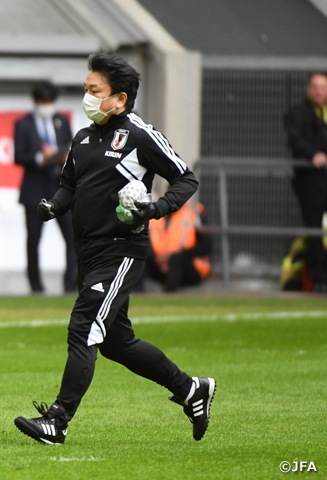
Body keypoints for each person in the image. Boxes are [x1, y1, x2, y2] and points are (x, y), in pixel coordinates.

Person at [14, 53, 215, 445]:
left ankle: (58, 420)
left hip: (121, 249)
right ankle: (191, 389)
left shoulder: (140, 135)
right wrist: (54, 205)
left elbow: (185, 178)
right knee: (116, 343)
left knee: (84, 326)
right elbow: (69, 184)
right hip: (88, 251)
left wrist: (157, 208)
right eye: (86, 89)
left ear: (120, 98)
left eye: (95, 91)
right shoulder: (83, 137)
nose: (87, 97)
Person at [14, 82, 77, 294]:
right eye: (43, 101)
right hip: (35, 189)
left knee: (72, 237)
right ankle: (36, 286)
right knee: (33, 240)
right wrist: (40, 157)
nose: (46, 105)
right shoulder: (23, 124)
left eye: (50, 101)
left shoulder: (62, 121)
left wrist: (62, 157)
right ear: (35, 101)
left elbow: (72, 147)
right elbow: (18, 155)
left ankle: (70, 284)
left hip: (61, 189)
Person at [284, 72, 327, 293]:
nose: (319, 91)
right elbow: (295, 139)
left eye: (323, 87)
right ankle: (319, 278)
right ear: (309, 89)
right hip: (310, 180)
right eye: (315, 87)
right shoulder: (298, 113)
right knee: (314, 230)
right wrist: (314, 154)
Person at [145, 200, 212, 292]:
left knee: (177, 258)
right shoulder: (159, 216)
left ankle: (169, 293)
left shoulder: (195, 213)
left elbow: (206, 246)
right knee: (141, 258)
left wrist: (177, 255)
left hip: (192, 266)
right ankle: (136, 292)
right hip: (163, 265)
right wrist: (160, 260)